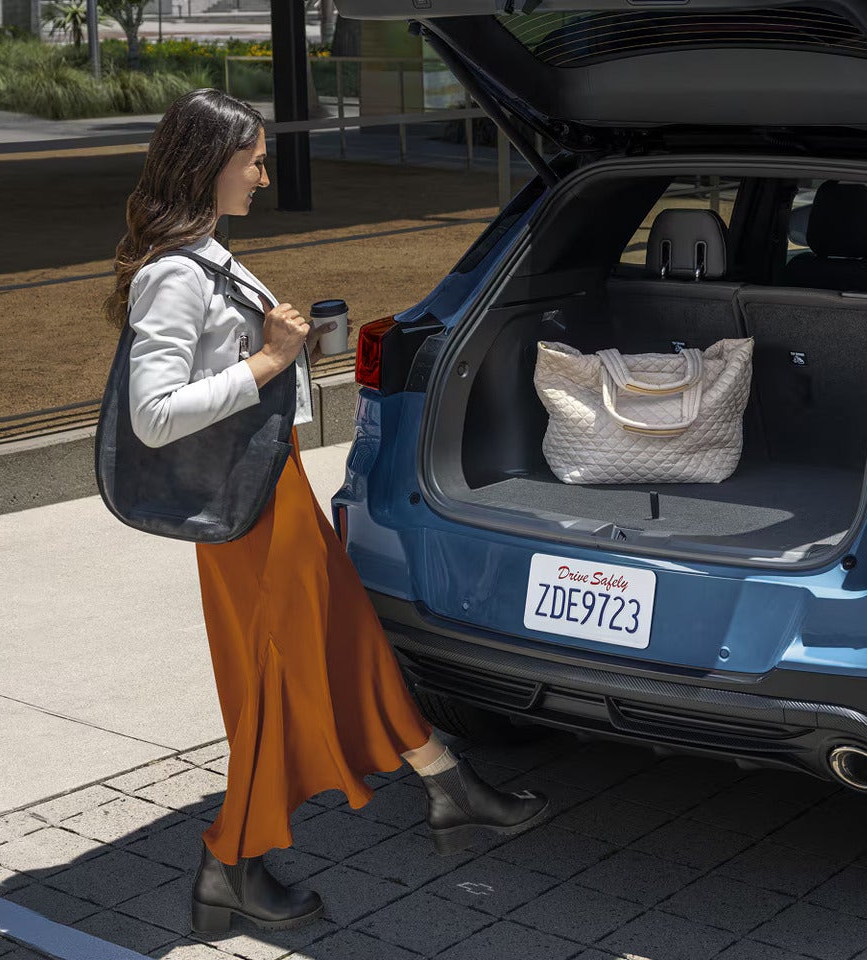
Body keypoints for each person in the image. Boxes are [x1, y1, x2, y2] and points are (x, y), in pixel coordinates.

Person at [102, 88, 549, 935]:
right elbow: (152, 412)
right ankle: (229, 863)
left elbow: (239, 365)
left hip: (274, 491)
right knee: (273, 680)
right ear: (210, 164)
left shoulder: (206, 256)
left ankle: (445, 780)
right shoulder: (171, 275)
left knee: (345, 636)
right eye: (254, 160)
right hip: (243, 514)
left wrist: (295, 351)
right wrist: (272, 362)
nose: (264, 177)